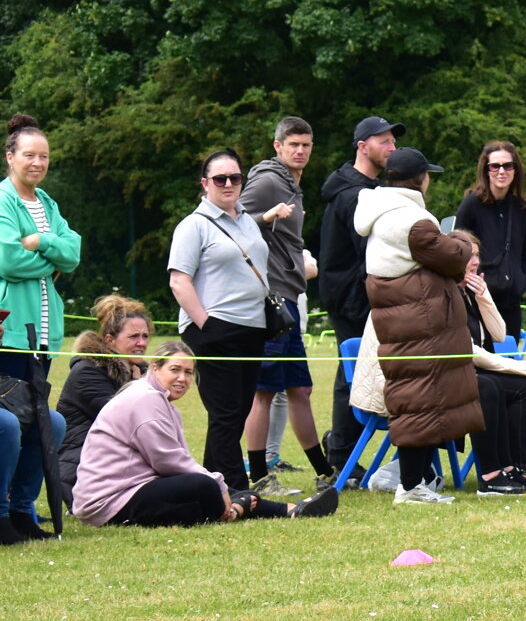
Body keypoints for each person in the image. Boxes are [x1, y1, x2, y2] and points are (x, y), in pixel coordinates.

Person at [73, 342, 338, 527]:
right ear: (155, 369)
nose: (182, 378)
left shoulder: (160, 402)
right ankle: (235, 510)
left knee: (210, 485)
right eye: (174, 369)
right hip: (109, 501)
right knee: (203, 486)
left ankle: (289, 510)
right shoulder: (145, 400)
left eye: (189, 372)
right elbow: (168, 462)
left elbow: (176, 464)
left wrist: (219, 485)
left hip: (132, 489)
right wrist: (218, 485)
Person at [355, 147, 483, 504]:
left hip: (409, 323)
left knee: (424, 402)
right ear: (419, 179)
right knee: (420, 403)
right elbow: (457, 257)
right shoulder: (411, 221)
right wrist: (457, 237)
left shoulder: (385, 213)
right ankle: (410, 486)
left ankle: (416, 482)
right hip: (418, 326)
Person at [240, 116, 337, 496]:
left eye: (306, 145)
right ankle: (260, 476)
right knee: (263, 392)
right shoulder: (267, 181)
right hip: (270, 302)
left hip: (291, 300)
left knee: (299, 389)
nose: (300, 151)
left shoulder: (292, 184)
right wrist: (266, 217)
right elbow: (231, 219)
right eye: (293, 144)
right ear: (277, 146)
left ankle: (323, 470)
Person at [168, 149, 274, 491]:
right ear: (205, 183)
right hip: (214, 328)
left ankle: (212, 480)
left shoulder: (247, 220)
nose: (229, 184)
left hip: (252, 328)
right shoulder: (193, 225)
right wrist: (206, 324)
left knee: (238, 410)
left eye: (235, 178)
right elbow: (178, 280)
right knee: (226, 412)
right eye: (220, 179)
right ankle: (235, 486)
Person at [0, 113, 78, 540]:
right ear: (10, 157)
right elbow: (7, 260)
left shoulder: (47, 204)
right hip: (10, 335)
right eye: (29, 154)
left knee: (42, 423)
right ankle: (4, 514)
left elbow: (75, 252)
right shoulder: (3, 201)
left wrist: (42, 242)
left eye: (44, 156)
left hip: (43, 339)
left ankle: (22, 513)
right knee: (11, 423)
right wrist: (52, 259)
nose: (37, 162)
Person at [442, 230, 526, 494]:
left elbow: (499, 333)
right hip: (455, 377)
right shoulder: (446, 293)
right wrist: (515, 365)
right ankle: (492, 474)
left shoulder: (472, 292)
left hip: (478, 371)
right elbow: (466, 350)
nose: (475, 262)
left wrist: (484, 296)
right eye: (468, 256)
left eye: (476, 255)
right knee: (491, 387)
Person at [316, 115, 396, 466]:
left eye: (393, 142)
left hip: (355, 293)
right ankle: (341, 455)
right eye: (384, 142)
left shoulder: (367, 189)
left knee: (351, 372)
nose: (392, 148)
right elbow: (369, 253)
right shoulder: (354, 194)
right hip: (352, 297)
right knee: (351, 374)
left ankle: (341, 447)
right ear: (362, 147)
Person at [55, 294, 151, 493]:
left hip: (120, 463)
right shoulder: (87, 372)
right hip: (85, 474)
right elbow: (126, 421)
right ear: (110, 340)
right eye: (134, 336)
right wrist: (136, 384)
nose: (141, 343)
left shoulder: (139, 370)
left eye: (145, 336)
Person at [455, 141, 526, 334]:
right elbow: (458, 250)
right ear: (486, 169)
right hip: (479, 299)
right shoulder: (471, 205)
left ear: (515, 170)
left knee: (510, 360)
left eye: (508, 165)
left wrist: (521, 282)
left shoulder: (524, 209)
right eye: (495, 166)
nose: (502, 171)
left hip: (511, 302)